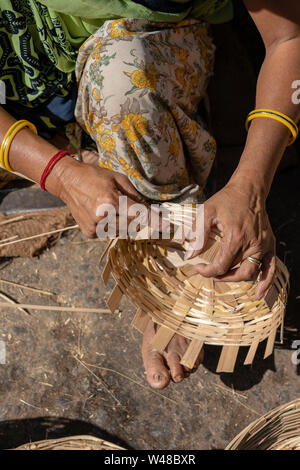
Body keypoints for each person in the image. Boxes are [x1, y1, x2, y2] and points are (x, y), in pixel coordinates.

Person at [0, 0, 299, 389]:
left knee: (124, 88)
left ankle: (168, 232)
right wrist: (58, 174)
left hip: (129, 47)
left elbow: (289, 38)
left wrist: (251, 187)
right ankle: (81, 148)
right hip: (17, 79)